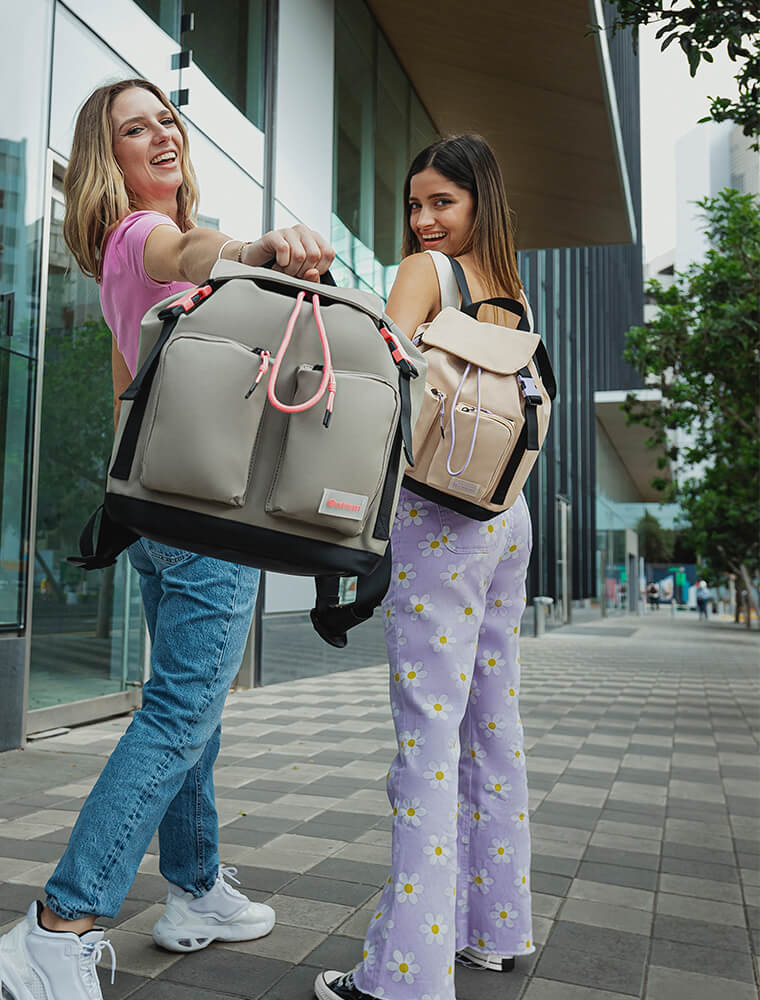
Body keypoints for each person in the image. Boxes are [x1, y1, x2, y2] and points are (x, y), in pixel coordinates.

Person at [0, 78, 334, 1000]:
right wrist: (253, 247)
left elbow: (131, 388)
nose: (160, 134)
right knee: (177, 719)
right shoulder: (142, 238)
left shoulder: (127, 266)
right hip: (206, 522)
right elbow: (186, 242)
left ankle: (198, 889)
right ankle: (61, 924)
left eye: (166, 119)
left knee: (192, 720)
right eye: (136, 129)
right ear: (113, 159)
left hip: (164, 518)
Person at [316, 135, 536, 1000]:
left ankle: (402, 975)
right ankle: (497, 929)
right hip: (505, 517)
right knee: (492, 730)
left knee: (427, 739)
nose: (424, 220)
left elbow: (378, 378)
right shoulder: (508, 292)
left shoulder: (425, 274)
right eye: (415, 205)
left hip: (440, 518)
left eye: (442, 201)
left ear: (479, 198)